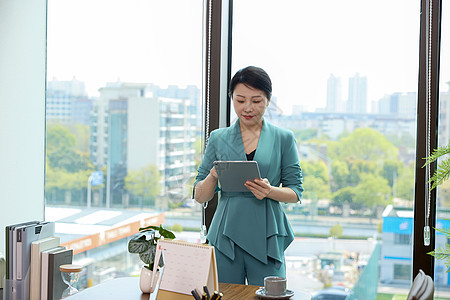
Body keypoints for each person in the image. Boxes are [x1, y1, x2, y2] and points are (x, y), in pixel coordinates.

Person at [193, 66, 303, 286]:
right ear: (232, 98)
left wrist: (270, 191)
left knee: (269, 294)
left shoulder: (284, 138)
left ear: (268, 100)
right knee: (224, 294)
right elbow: (200, 195)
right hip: (225, 232)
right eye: (240, 100)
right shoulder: (218, 138)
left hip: (266, 233)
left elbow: (295, 192)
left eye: (256, 100)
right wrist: (214, 174)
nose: (247, 108)